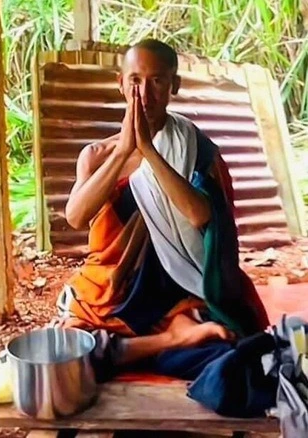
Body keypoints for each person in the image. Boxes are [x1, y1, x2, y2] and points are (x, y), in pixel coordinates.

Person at [53, 39, 269, 379]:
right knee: (68, 352)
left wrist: (150, 154)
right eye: (135, 80)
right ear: (121, 84)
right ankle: (169, 341)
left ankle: (170, 336)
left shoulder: (194, 150)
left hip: (175, 286)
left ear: (174, 85)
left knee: (232, 351)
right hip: (110, 288)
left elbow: (200, 216)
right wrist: (124, 151)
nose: (145, 94)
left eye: (157, 81)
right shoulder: (95, 155)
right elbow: (77, 216)